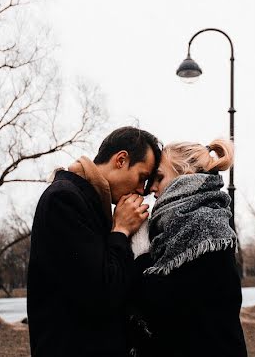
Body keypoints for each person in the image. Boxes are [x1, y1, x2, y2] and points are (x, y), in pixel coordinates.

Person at [27, 126, 162, 357]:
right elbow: (102, 294)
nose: (141, 190)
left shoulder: (89, 203)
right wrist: (121, 230)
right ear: (121, 160)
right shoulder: (65, 199)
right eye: (142, 177)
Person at [129, 139, 247, 357]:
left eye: (160, 178)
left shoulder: (205, 224)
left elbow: (165, 301)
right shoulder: (181, 226)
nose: (152, 188)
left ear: (186, 176)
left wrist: (140, 254)